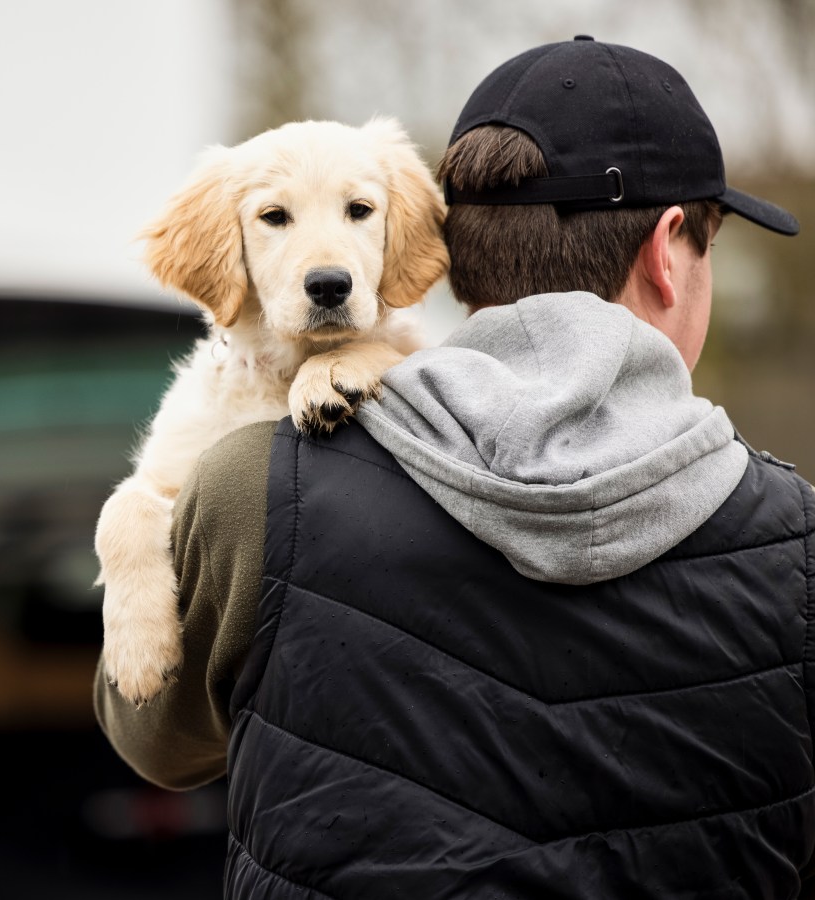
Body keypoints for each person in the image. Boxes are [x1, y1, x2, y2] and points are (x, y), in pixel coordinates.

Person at [95, 36, 812, 897]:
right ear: (668, 250)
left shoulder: (257, 484)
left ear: (448, 251)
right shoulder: (796, 539)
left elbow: (159, 743)